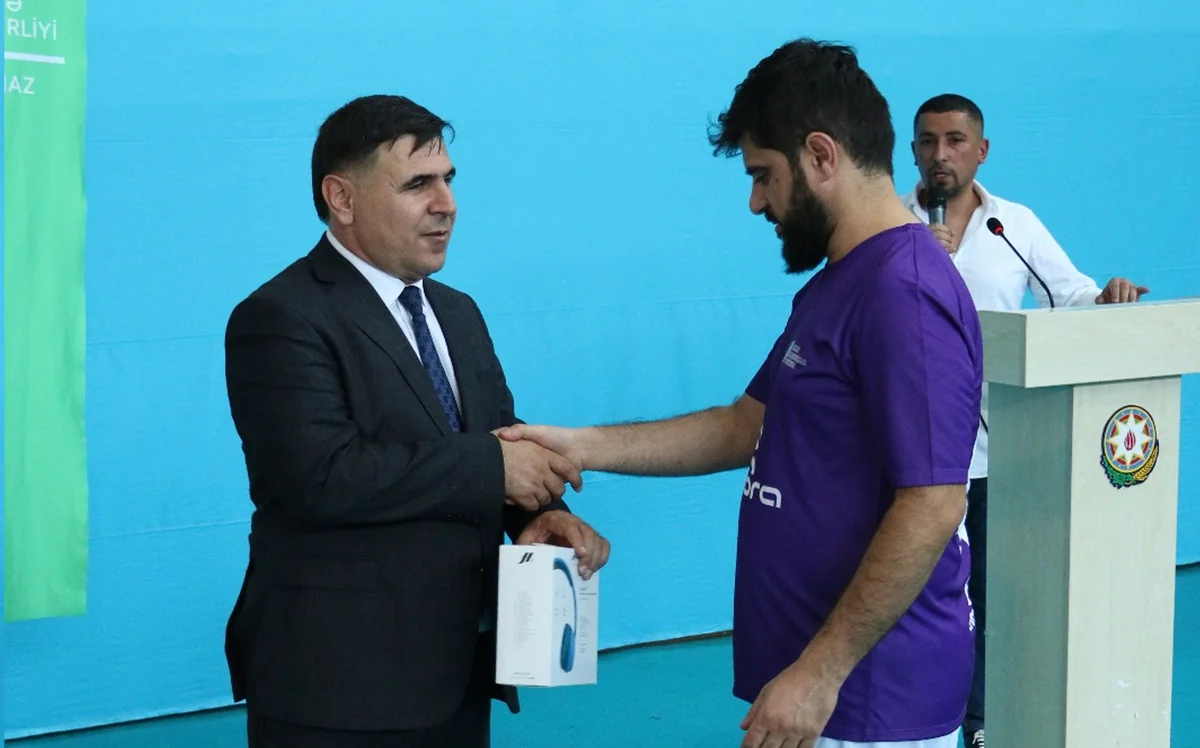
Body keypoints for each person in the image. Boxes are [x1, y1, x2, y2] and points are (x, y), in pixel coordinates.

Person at [499, 39, 980, 748]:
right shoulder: (840, 283)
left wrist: (819, 673)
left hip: (868, 702)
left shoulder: (901, 293)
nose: (757, 202)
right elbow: (743, 425)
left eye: (763, 175)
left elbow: (933, 501)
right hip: (820, 687)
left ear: (821, 156)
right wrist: (579, 446)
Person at [221, 94, 611, 748]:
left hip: (459, 673)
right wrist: (496, 468)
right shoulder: (279, 318)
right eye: (417, 184)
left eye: (449, 180)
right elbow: (321, 477)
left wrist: (540, 515)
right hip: (337, 686)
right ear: (341, 199)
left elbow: (499, 439)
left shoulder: (459, 312)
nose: (446, 203)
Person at [902, 92, 1149, 748]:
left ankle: (981, 725)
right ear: (912, 151)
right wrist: (914, 259)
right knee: (916, 597)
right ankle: (918, 721)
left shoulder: (1013, 225)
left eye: (955, 140)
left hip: (993, 451)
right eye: (927, 141)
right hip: (909, 451)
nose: (940, 154)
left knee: (987, 596)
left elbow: (1070, 295)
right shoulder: (889, 226)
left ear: (982, 151)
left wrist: (1108, 297)